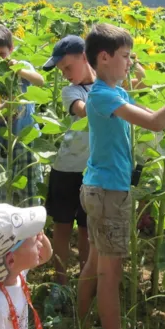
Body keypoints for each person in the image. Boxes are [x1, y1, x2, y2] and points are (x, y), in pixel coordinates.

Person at [78, 23, 165, 329]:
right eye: (125, 56)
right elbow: (156, 123)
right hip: (108, 192)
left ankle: (78, 328)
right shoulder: (102, 95)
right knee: (109, 275)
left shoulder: (116, 92)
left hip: (100, 188)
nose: (129, 62)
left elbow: (151, 114)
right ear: (104, 58)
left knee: (94, 264)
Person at [42, 35, 95, 284]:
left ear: (85, 57)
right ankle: (60, 283)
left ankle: (85, 282)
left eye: (67, 67)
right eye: (62, 71)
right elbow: (84, 112)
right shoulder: (71, 91)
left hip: (93, 171)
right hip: (66, 169)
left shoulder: (109, 85)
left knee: (86, 230)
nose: (65, 74)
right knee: (62, 227)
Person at [0, 24, 45, 204]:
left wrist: (19, 71)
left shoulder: (23, 67)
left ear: (11, 50)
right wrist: (7, 106)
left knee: (30, 189)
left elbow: (40, 82)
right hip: (0, 141)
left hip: (26, 138)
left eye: (2, 54)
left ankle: (31, 220)